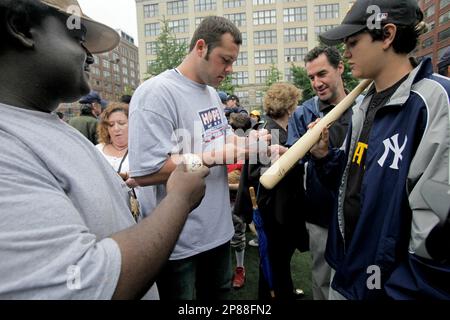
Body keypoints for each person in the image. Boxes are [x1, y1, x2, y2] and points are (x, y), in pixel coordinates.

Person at [0, 0, 209, 299]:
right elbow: (86, 284)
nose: (90, 57)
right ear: (21, 27)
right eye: (77, 36)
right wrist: (179, 199)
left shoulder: (40, 123)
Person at [310, 0, 450, 299]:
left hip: (394, 289)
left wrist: (401, 291)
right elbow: (351, 185)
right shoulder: (363, 103)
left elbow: (437, 230)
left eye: (353, 42)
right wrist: (324, 157)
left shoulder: (436, 101)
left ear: (387, 35)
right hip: (348, 273)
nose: (345, 53)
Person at [128, 16, 269, 300]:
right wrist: (213, 158)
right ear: (201, 47)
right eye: (225, 60)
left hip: (217, 233)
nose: (229, 69)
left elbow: (223, 137)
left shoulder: (211, 94)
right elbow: (145, 172)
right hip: (178, 242)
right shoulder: (156, 93)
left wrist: (248, 144)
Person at [286, 46, 360, 300]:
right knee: (323, 283)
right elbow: (292, 162)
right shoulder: (303, 113)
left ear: (340, 68)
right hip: (321, 217)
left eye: (322, 74)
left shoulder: (362, 107)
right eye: (311, 77)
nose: (316, 83)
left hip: (359, 214)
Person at [249, 83, 309, 300]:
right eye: (295, 102)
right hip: (274, 208)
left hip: (287, 205)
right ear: (288, 105)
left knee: (281, 259)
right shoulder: (266, 130)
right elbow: (255, 172)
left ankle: (286, 290)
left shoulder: (284, 127)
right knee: (274, 260)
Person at [227, 113, 252, 289]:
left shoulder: (248, 152)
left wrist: (228, 185)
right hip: (219, 202)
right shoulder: (223, 148)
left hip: (235, 202)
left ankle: (239, 268)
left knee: (237, 238)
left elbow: (246, 185)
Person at [95, 102, 137, 188]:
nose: (116, 128)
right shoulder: (96, 150)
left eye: (121, 123)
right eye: (111, 125)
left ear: (133, 124)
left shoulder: (142, 150)